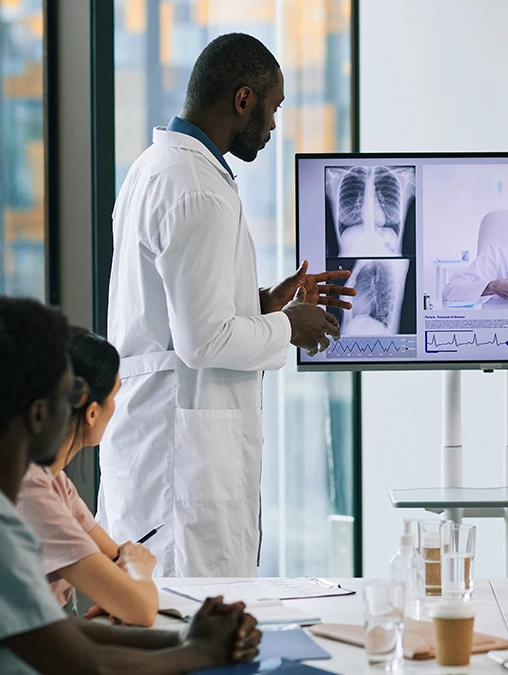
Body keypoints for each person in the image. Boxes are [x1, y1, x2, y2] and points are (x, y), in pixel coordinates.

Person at [101, 33, 355, 577]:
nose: (272, 127)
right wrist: (289, 327)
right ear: (244, 99)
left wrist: (261, 304)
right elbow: (203, 341)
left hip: (158, 450)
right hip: (181, 471)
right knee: (190, 619)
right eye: (273, 109)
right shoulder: (198, 189)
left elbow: (171, 313)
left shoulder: (153, 167)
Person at [0, 296, 261, 674]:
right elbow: (89, 666)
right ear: (39, 414)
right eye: (70, 395)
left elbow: (57, 633)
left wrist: (189, 639)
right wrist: (200, 652)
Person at [17, 327, 160, 626]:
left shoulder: (54, 481)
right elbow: (142, 609)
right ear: (92, 412)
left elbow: (114, 557)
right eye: (114, 396)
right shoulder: (31, 492)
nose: (115, 408)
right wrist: (138, 570)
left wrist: (125, 582)